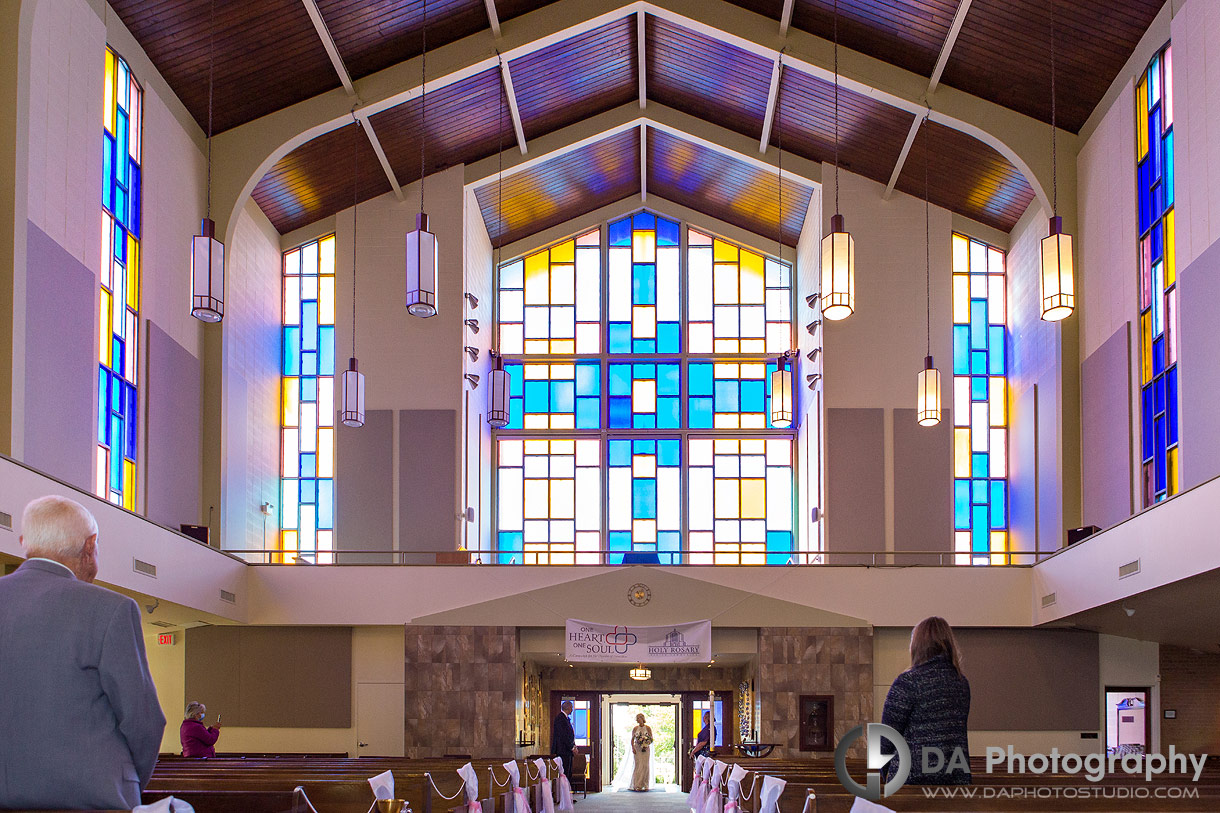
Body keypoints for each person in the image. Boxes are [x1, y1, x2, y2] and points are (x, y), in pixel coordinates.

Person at [0, 495, 166, 810]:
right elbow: (144, 720)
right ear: (90, 546)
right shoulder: (111, 609)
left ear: (25, 542)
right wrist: (123, 782)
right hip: (88, 799)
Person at [881, 616, 971, 785]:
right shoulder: (961, 683)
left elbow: (887, 737)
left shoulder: (908, 681)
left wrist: (886, 773)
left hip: (913, 779)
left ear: (917, 645)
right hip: (954, 777)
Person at [552, 700, 576, 781]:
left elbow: (569, 735)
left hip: (567, 751)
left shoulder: (565, 718)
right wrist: (571, 747)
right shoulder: (560, 719)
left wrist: (574, 745)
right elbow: (564, 736)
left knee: (568, 773)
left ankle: (566, 791)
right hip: (563, 751)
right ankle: (563, 792)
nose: (572, 710)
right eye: (571, 708)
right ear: (568, 708)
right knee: (564, 773)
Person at [629, 713, 654, 791]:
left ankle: (645, 785)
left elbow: (651, 738)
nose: (637, 720)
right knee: (638, 765)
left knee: (645, 766)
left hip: (646, 749)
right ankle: (637, 785)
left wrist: (646, 743)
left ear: (642, 718)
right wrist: (633, 747)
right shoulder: (635, 728)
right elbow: (632, 739)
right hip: (637, 749)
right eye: (637, 718)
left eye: (639, 718)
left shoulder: (648, 728)